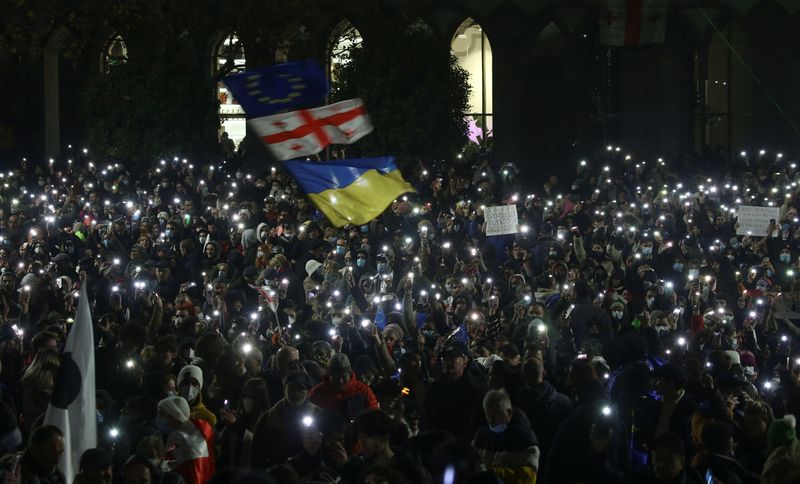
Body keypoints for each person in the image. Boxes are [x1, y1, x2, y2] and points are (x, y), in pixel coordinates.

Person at [251, 370, 320, 470]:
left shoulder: (317, 415)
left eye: (301, 389)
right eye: (292, 388)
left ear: (308, 392)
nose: (296, 393)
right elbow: (257, 453)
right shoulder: (270, 417)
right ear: (285, 389)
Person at [423, 341, 488, 442]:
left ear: (465, 361)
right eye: (445, 358)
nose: (447, 362)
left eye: (452, 358)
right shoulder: (434, 389)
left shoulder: (478, 390)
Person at [472, 389, 539, 484]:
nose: (491, 421)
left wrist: (492, 473)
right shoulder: (481, 436)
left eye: (496, 415)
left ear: (509, 412)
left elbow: (528, 477)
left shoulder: (524, 439)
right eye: (488, 416)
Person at [156, 396, 215, 484]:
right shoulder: (196, 431)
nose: (158, 418)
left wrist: (156, 464)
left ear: (174, 414)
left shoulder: (178, 437)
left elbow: (168, 468)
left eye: (161, 414)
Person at [309, 353, 379, 422]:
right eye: (336, 377)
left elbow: (374, 413)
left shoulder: (362, 390)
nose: (340, 381)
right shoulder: (318, 392)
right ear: (329, 375)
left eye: (344, 376)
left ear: (350, 374)